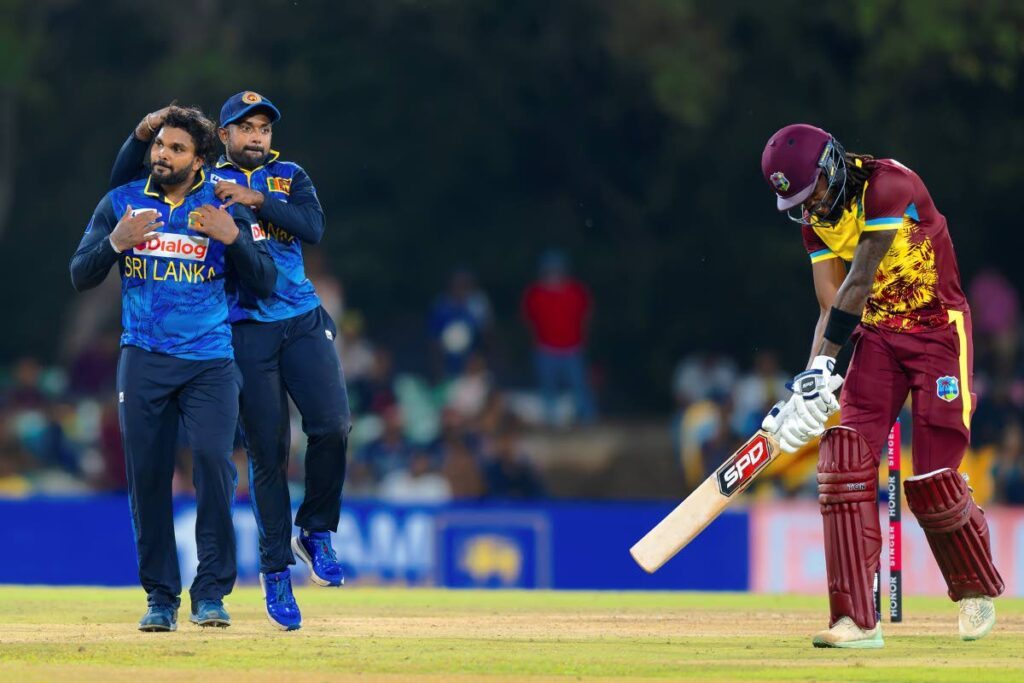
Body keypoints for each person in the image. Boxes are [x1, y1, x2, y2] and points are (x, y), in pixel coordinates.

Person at [110, 93, 352, 631]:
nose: (256, 136)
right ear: (223, 136)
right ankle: (275, 569)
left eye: (263, 127)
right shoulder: (202, 179)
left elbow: (312, 229)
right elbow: (127, 182)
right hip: (243, 327)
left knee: (334, 424)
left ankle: (315, 529)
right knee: (268, 452)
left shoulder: (290, 175)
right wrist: (141, 134)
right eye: (245, 128)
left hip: (302, 316)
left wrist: (256, 199)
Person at [759, 124, 1004, 647]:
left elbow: (861, 277)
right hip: (878, 337)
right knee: (843, 461)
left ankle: (975, 591)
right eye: (798, 203)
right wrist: (810, 380)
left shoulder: (889, 186)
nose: (811, 209)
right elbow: (831, 305)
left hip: (939, 331)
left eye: (813, 193)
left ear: (831, 166)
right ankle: (853, 619)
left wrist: (825, 363)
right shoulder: (815, 224)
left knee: (934, 479)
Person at [71, 106, 276, 632]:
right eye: (160, 145)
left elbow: (266, 282)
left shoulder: (226, 202)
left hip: (210, 360)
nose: (162, 154)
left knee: (213, 463)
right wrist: (117, 242)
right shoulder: (122, 202)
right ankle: (160, 597)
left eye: (176, 148)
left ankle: (211, 593)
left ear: (200, 158)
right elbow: (79, 274)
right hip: (142, 358)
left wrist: (235, 239)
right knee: (148, 477)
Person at [521, 249, 597, 425]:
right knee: (548, 388)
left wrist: (583, 338)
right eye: (550, 269)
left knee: (580, 386)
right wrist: (536, 342)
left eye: (557, 269)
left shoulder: (576, 291)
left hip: (573, 348)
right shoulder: (534, 293)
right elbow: (528, 320)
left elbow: (587, 314)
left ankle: (589, 420)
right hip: (545, 349)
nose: (554, 273)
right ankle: (551, 422)